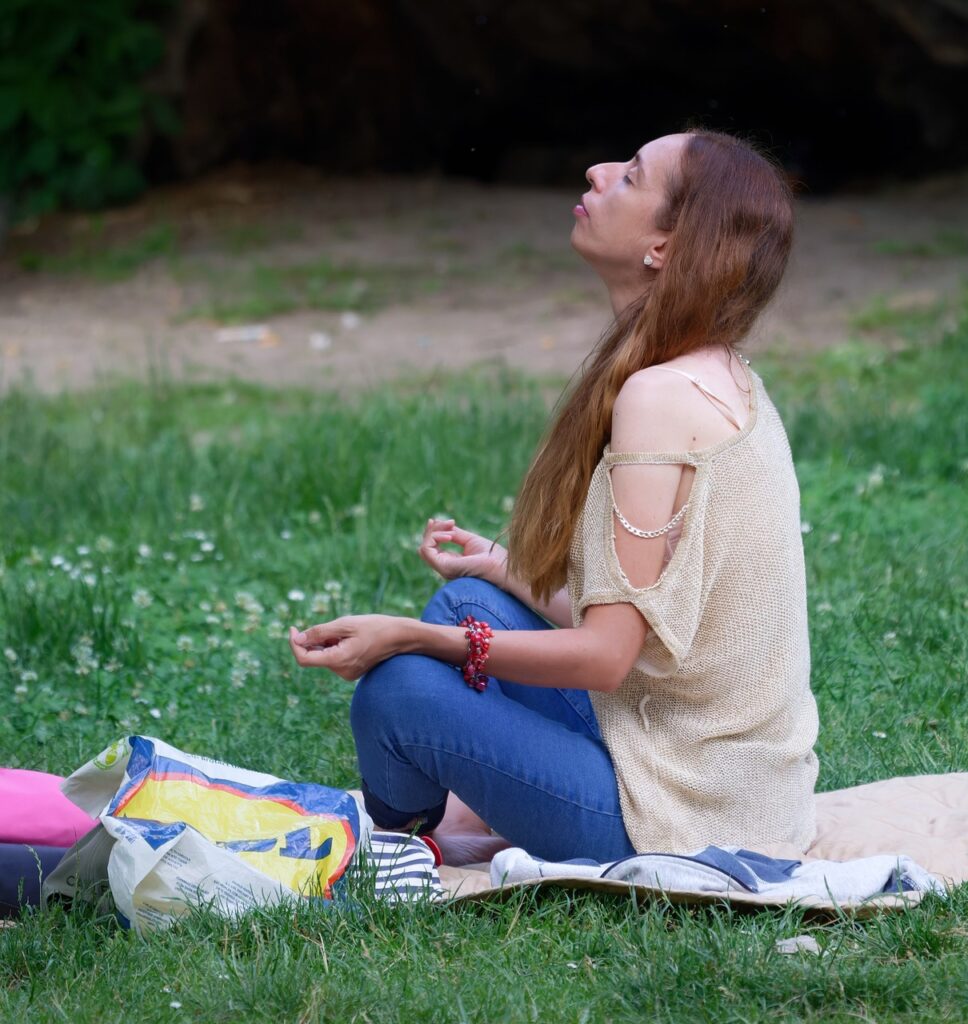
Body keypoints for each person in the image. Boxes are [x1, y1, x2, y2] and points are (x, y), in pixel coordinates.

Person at [289, 128, 820, 866]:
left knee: (401, 689)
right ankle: (417, 824)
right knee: (465, 605)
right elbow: (652, 638)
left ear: (664, 247)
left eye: (630, 177)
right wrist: (504, 570)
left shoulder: (659, 399)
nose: (597, 173)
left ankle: (397, 849)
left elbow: (606, 659)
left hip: (686, 817)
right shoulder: (711, 371)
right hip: (711, 769)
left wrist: (410, 640)